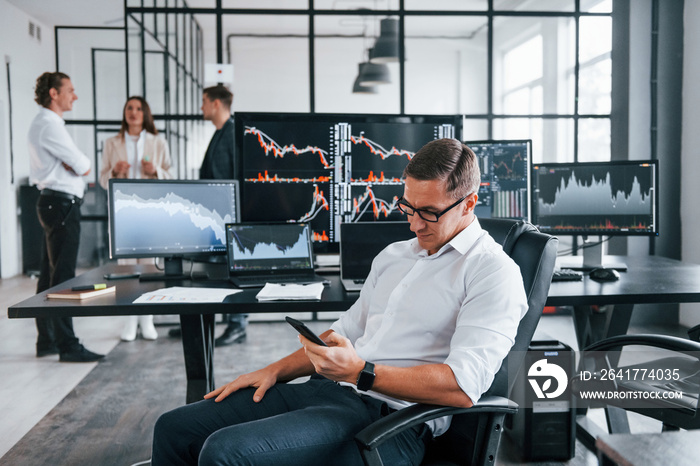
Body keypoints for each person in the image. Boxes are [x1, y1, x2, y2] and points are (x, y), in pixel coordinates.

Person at [151, 138, 528, 465]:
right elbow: (346, 331)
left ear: (469, 203)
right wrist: (276, 369)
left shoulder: (493, 272)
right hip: (332, 391)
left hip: (390, 422)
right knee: (175, 428)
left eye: (429, 213)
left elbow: (462, 387)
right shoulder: (396, 255)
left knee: (224, 452)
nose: (414, 224)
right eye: (408, 208)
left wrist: (361, 372)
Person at [28, 71, 104, 363]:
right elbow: (83, 165)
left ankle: (47, 339)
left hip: (55, 204)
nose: (75, 95)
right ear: (54, 94)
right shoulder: (49, 125)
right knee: (62, 278)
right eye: (70, 90)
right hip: (61, 205)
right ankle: (67, 344)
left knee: (50, 275)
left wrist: (73, 163)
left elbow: (77, 164)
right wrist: (75, 163)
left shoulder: (46, 124)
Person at [169, 84, 247, 346]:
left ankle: (237, 326)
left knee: (231, 272)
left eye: (204, 101)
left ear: (216, 103)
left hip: (229, 217)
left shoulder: (233, 131)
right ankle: (200, 324)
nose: (201, 106)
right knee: (211, 272)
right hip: (215, 217)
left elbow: (234, 177)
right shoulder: (220, 133)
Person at [99, 96, 173, 342]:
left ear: (145, 114)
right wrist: (115, 172)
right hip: (124, 212)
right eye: (129, 108)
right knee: (127, 268)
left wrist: (156, 172)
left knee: (150, 267)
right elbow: (102, 180)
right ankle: (130, 319)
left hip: (150, 210)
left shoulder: (158, 142)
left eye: (139, 108)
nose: (133, 112)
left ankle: (147, 319)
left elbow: (171, 175)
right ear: (124, 113)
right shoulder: (111, 143)